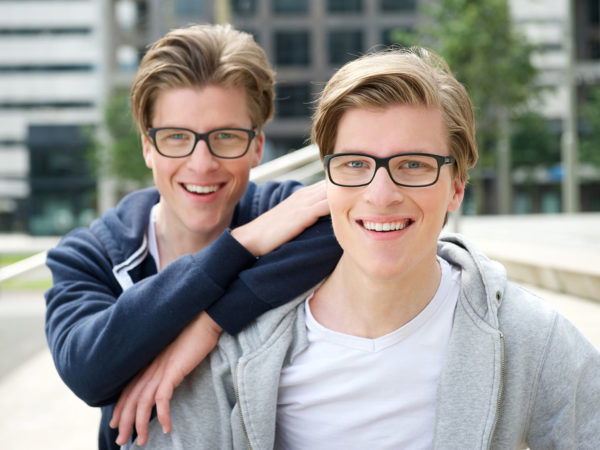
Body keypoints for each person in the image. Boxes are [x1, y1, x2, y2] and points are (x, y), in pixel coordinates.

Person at [131, 46, 600, 449]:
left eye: (413, 164)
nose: (381, 193)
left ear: (456, 186)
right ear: (328, 180)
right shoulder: (239, 349)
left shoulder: (526, 337)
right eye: (355, 164)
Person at [44, 24, 341, 450]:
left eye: (225, 137)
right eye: (177, 138)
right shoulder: (89, 255)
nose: (201, 164)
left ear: (257, 146)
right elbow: (88, 373)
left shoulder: (284, 211)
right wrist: (242, 245)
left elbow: (386, 212)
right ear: (148, 146)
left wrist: (210, 323)